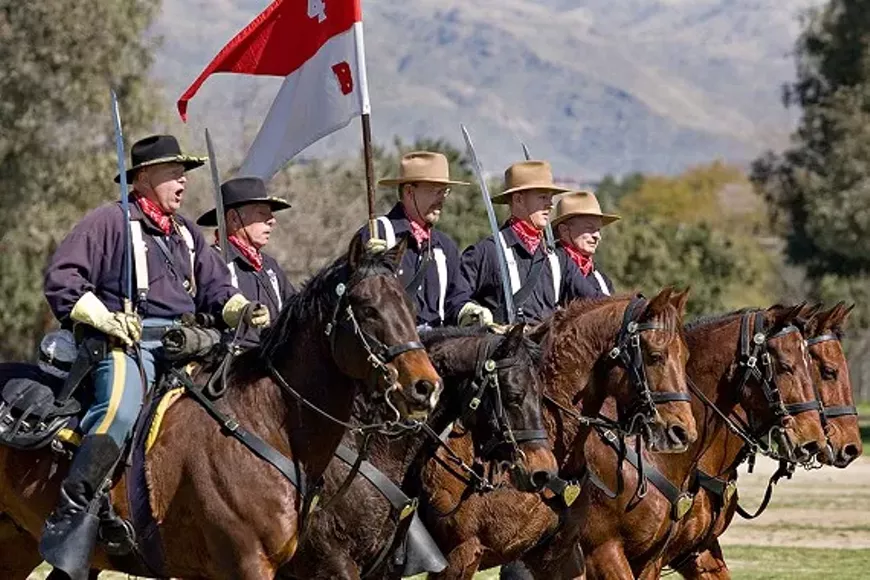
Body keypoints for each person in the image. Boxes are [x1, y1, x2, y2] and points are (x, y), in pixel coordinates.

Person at [40, 134, 271, 579]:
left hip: (187, 348)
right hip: (124, 344)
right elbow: (63, 279)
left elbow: (217, 289)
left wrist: (241, 308)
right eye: (173, 173)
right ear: (144, 178)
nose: (183, 182)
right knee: (120, 410)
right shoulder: (108, 221)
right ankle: (75, 512)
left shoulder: (186, 234)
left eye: (184, 174)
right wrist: (105, 319)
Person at [460, 160, 602, 325]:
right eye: (542, 197)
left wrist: (630, 309)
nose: (550, 205)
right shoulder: (486, 252)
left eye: (550, 198)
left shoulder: (557, 259)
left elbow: (595, 300)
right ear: (519, 199)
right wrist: (478, 316)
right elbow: (457, 299)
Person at [360, 151, 490, 329]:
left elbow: (455, 299)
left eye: (445, 191)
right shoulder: (377, 234)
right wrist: (366, 265)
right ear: (409, 192)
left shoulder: (445, 247)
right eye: (435, 190)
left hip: (437, 349)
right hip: (393, 349)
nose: (442, 198)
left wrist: (468, 311)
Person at [197, 176, 296, 325]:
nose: (272, 220)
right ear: (234, 219)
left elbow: (294, 309)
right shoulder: (212, 261)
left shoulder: (270, 266)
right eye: (262, 213)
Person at [551, 190, 619, 296]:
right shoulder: (551, 266)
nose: (597, 236)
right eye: (589, 228)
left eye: (598, 230)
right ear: (564, 230)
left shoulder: (601, 279)